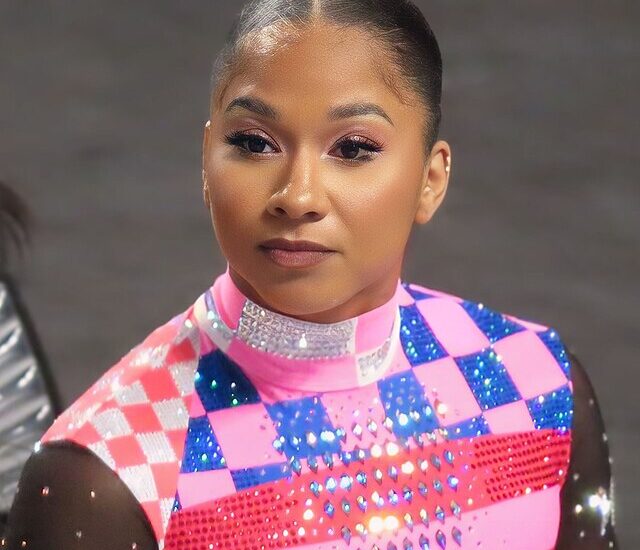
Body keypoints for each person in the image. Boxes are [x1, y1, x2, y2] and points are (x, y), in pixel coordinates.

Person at [2, 1, 618, 548]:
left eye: (352, 148)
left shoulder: (540, 388)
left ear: (431, 180)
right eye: (254, 142)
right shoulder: (107, 474)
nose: (297, 197)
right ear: (205, 160)